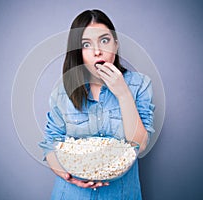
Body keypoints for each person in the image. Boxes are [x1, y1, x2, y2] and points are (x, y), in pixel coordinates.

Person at [39, 9, 155, 199]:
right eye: (86, 44)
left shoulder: (139, 85)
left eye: (104, 40)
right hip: (71, 194)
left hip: (121, 194)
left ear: (116, 45)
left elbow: (140, 145)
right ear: (78, 52)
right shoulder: (63, 90)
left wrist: (123, 93)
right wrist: (68, 176)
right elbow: (51, 143)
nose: (97, 51)